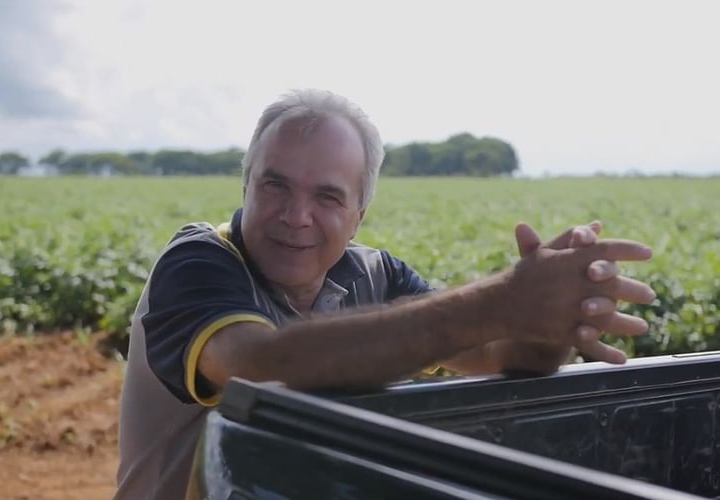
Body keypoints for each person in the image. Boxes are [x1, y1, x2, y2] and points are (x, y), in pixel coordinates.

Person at [114, 89, 655, 500]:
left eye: (327, 196)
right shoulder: (198, 261)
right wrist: (499, 302)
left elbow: (494, 356)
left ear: (358, 217)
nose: (295, 215)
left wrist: (548, 328)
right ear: (246, 185)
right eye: (274, 184)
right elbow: (257, 364)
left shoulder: (376, 274)